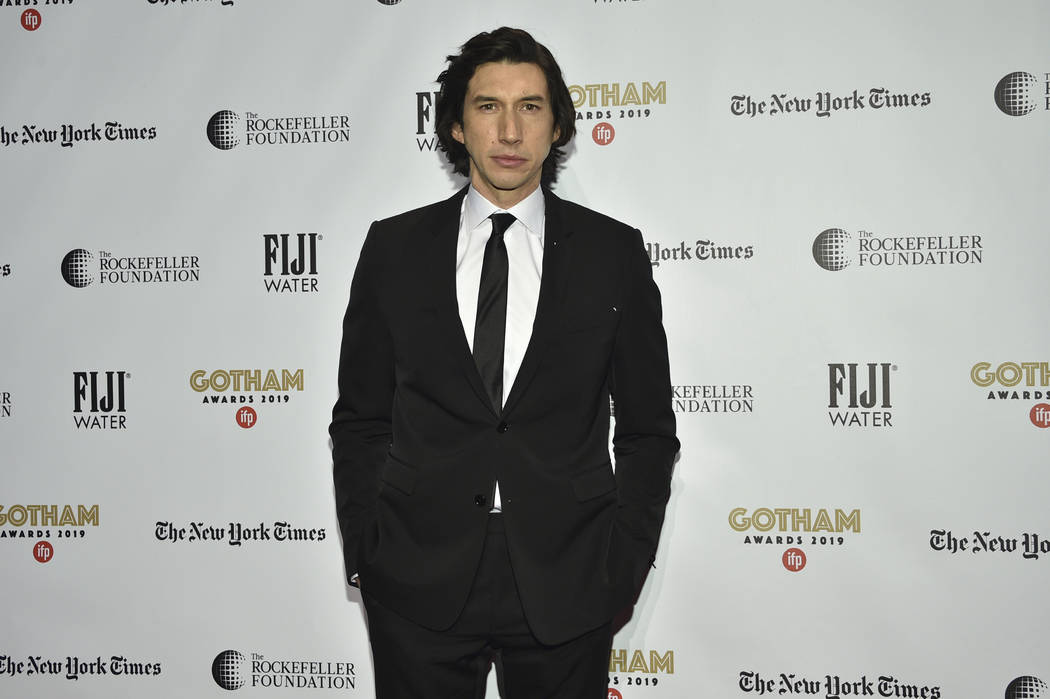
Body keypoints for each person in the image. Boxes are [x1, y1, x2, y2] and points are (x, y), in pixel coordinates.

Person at [330, 26, 678, 698]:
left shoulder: (613, 255)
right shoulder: (393, 250)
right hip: (416, 577)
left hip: (568, 579)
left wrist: (622, 565)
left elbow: (647, 430)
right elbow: (362, 418)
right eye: (489, 106)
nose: (510, 131)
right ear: (457, 126)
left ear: (557, 126)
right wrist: (368, 551)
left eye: (531, 107)